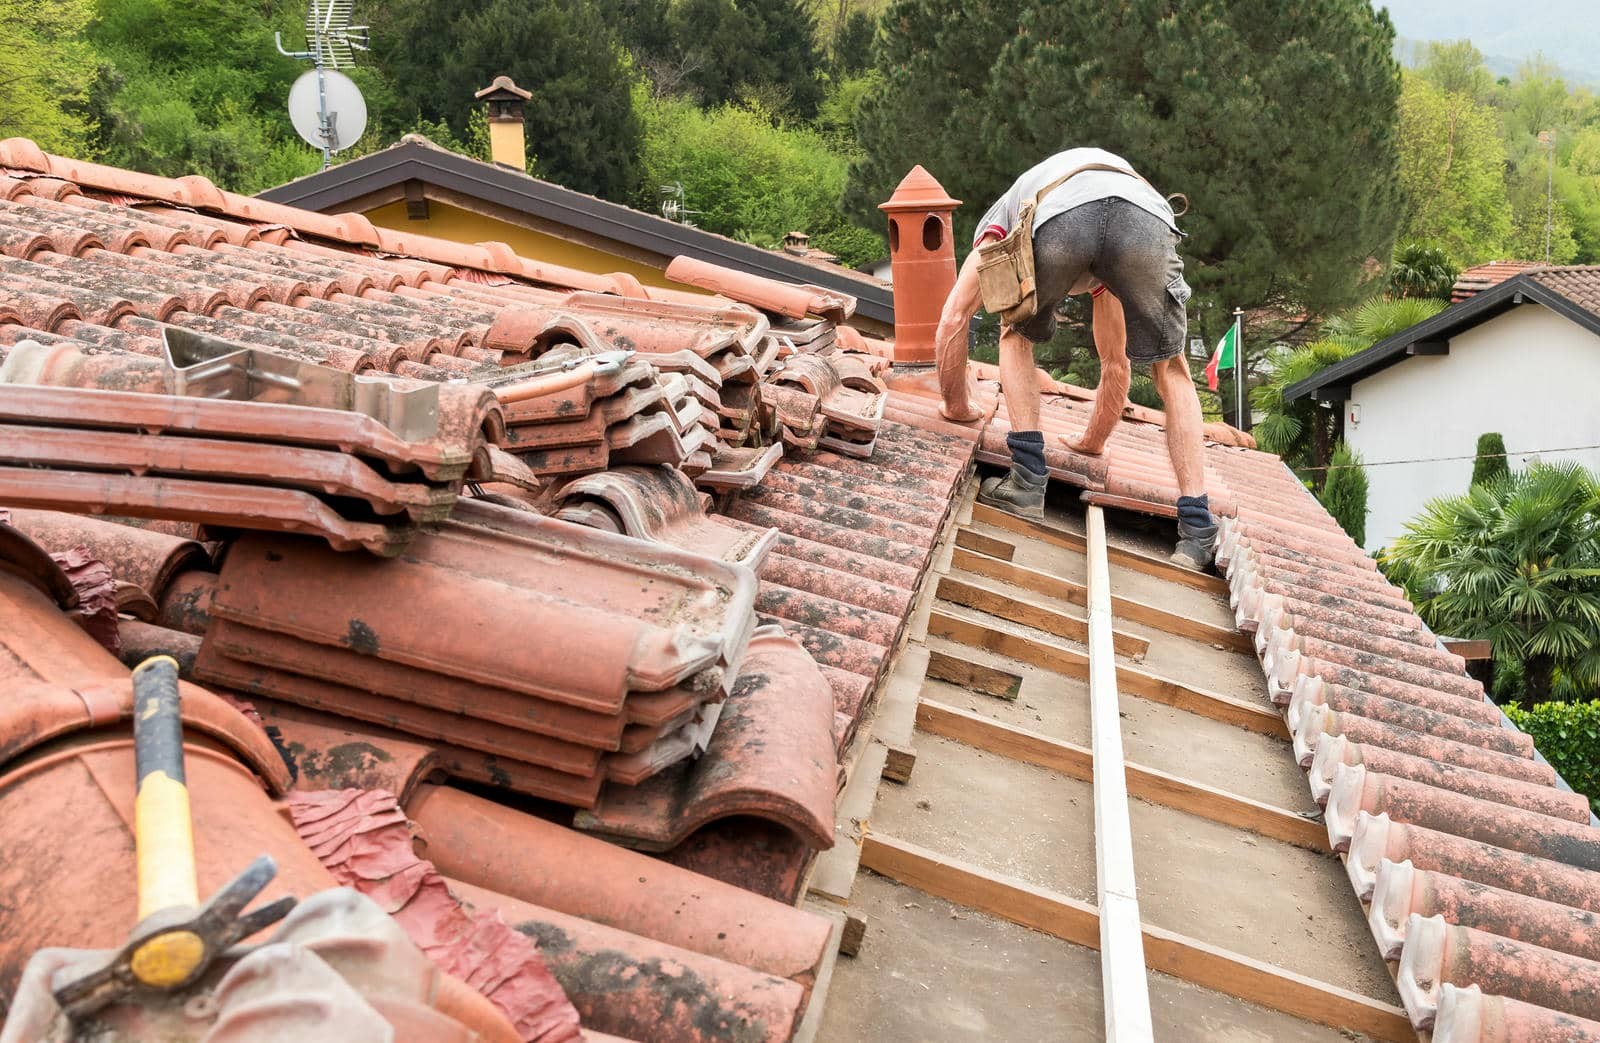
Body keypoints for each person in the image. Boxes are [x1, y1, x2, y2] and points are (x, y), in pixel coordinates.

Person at [934, 147, 1218, 570]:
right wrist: (1093, 442)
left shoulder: (1003, 218)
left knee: (1014, 332)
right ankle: (1196, 532)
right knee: (1171, 370)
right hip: (1145, 218)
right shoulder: (1107, 261)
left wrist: (957, 406)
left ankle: (1027, 481)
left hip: (1063, 217)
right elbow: (1114, 362)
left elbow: (954, 317)